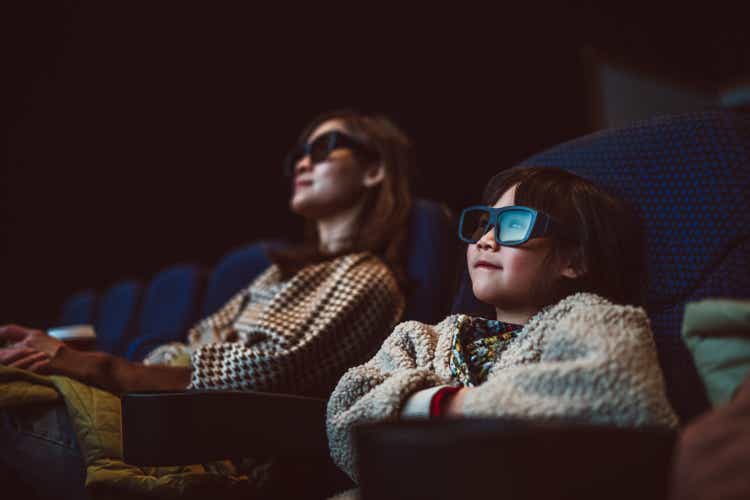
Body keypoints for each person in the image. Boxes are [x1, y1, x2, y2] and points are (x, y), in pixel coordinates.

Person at [0, 109, 414, 499]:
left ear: (374, 170)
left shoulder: (368, 276)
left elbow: (263, 370)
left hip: (207, 451)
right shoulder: (280, 274)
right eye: (300, 155)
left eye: (324, 148)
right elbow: (197, 343)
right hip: (165, 420)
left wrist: (97, 366)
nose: (303, 164)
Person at [326, 166, 679, 486]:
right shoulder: (421, 338)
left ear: (575, 259)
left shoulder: (598, 319)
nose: (485, 240)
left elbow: (613, 397)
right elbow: (347, 411)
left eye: (513, 225)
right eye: (483, 224)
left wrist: (435, 407)